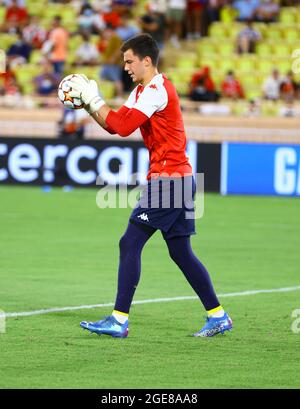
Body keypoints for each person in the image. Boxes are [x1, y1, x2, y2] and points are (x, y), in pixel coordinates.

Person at [68, 33, 232, 338]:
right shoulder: (143, 91)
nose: (125, 66)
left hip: (169, 182)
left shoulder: (156, 90)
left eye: (129, 61)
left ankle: (119, 320)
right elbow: (115, 125)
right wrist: (90, 106)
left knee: (130, 242)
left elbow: (123, 125)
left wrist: (93, 99)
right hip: (179, 180)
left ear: (147, 60)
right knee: (181, 253)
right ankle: (218, 316)